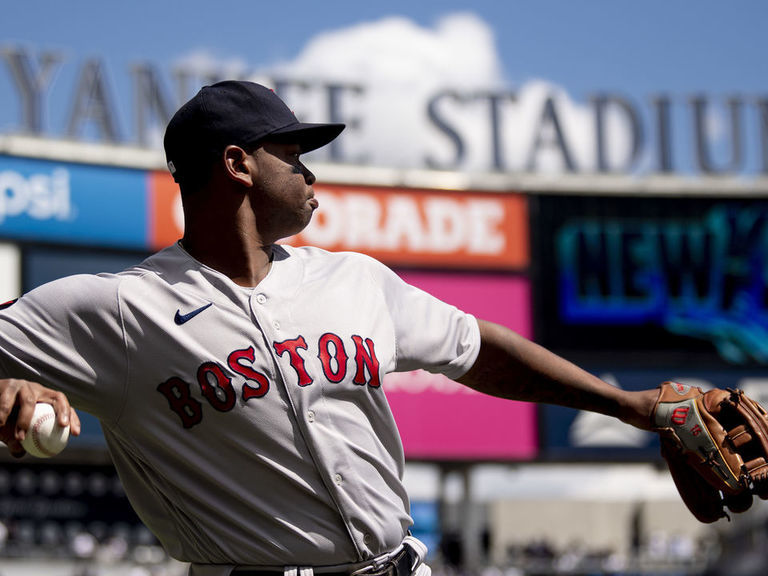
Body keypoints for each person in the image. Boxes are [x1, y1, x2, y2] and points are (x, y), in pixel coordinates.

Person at [0, 80, 659, 576]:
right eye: (293, 155)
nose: (311, 173)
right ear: (239, 164)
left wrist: (627, 406)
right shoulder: (119, 310)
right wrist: (15, 383)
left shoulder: (352, 279)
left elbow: (475, 348)